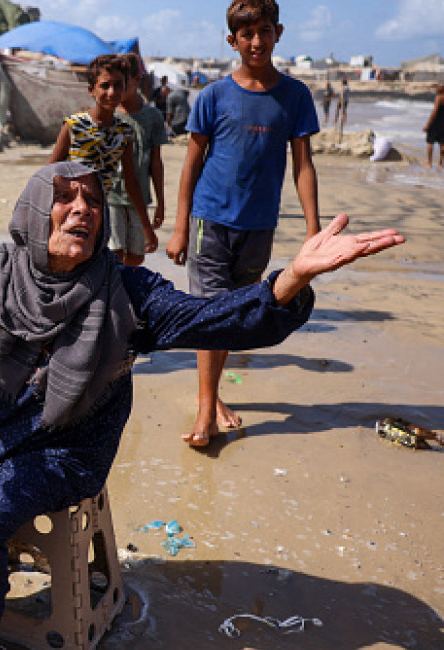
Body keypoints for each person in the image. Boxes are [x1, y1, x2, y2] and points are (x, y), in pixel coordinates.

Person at [0, 161, 403, 649]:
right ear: (35, 210)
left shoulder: (128, 291)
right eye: (64, 199)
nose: (81, 210)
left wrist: (289, 280)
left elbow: (216, 319)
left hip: (65, 455)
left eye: (93, 201)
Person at [165, 0, 322, 447]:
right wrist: (179, 227)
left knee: (233, 314)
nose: (257, 41)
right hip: (210, 220)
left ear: (278, 33)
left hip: (259, 226)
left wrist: (313, 232)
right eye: (246, 34)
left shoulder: (294, 96)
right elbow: (191, 165)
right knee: (210, 313)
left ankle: (212, 396)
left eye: (264, 31)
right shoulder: (213, 95)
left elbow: (304, 166)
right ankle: (205, 410)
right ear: (232, 41)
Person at [48, 53, 158, 259]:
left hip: (97, 212)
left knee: (98, 262)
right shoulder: (74, 126)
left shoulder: (124, 133)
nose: (112, 92)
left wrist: (146, 225)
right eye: (105, 86)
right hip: (69, 212)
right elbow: (49, 173)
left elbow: (131, 182)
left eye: (118, 85)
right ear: (91, 90)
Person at [107, 52, 167, 267]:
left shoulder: (152, 117)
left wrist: (161, 202)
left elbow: (156, 163)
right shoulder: (108, 114)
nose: (116, 91)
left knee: (136, 256)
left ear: (136, 80)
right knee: (113, 254)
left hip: (140, 198)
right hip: (110, 197)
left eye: (122, 83)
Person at [423, 82, 444, 170]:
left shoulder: (439, 97)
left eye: (438, 87)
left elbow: (435, 112)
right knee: (442, 142)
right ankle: (441, 164)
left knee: (430, 142)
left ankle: (429, 163)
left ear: (443, 88)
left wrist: (427, 125)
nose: (436, 88)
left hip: (435, 122)